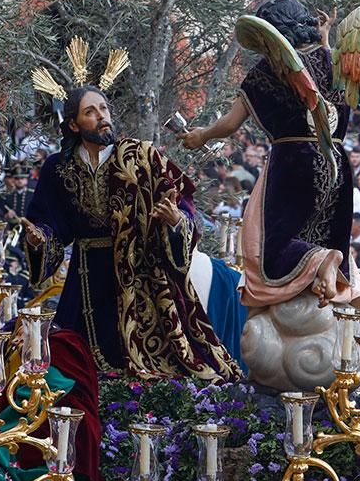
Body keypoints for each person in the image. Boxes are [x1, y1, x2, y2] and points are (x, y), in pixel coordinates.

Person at [25, 75, 240, 378]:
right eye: (91, 112)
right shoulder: (58, 168)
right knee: (72, 363)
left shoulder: (142, 157)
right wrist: (40, 240)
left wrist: (177, 221)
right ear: (74, 124)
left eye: (104, 109)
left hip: (140, 278)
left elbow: (183, 203)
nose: (101, 117)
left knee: (159, 364)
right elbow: (49, 223)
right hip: (85, 279)